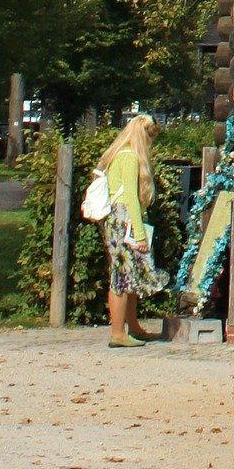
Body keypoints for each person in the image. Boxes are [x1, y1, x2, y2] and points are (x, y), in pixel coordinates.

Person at [93, 114, 169, 346]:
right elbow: (131, 200)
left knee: (129, 276)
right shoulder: (130, 157)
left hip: (116, 220)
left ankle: (133, 326)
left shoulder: (119, 154)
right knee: (122, 276)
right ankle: (117, 332)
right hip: (124, 220)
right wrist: (140, 234)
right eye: (149, 138)